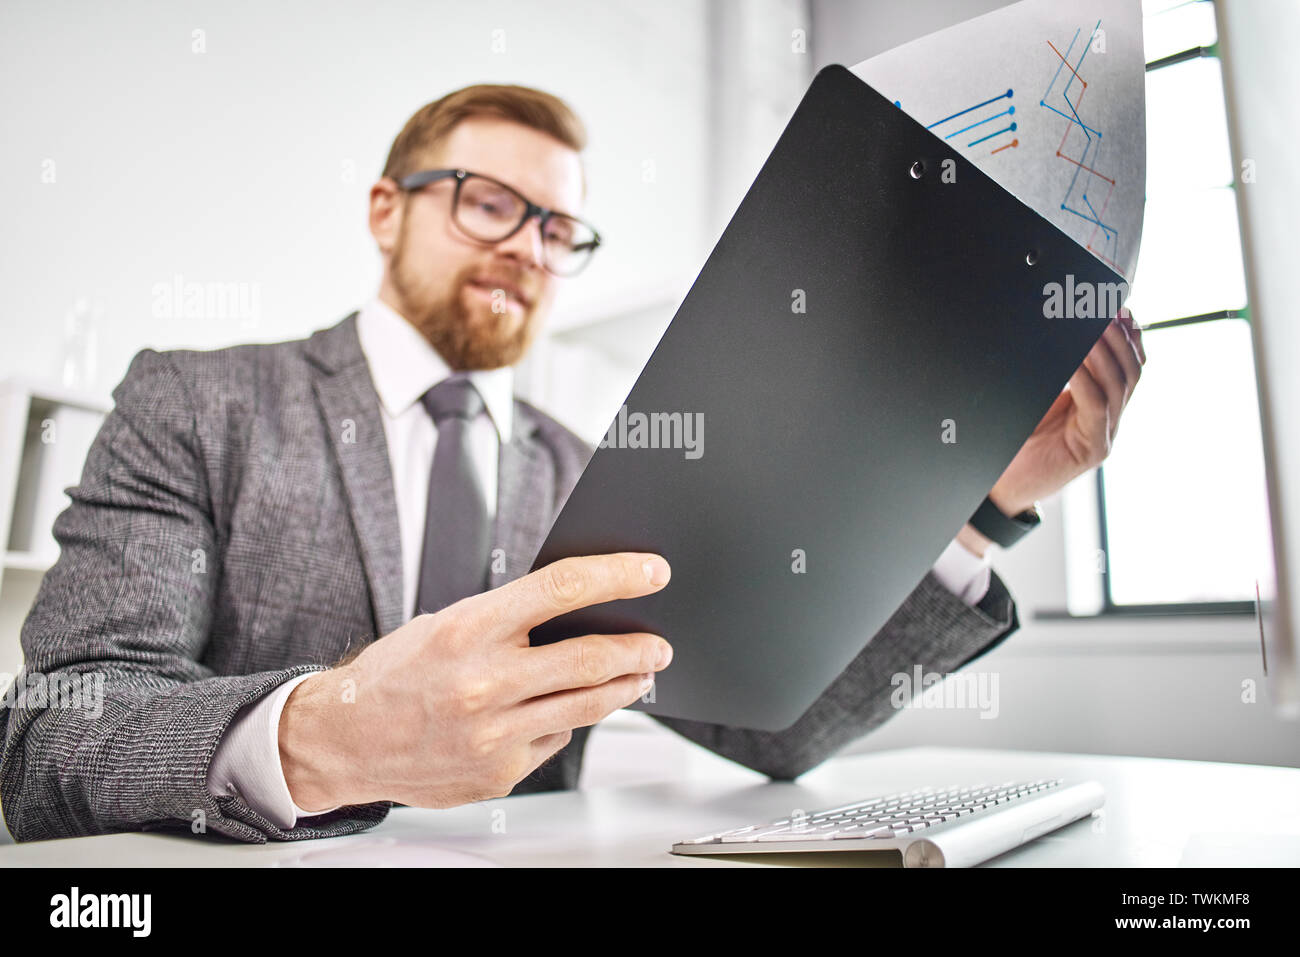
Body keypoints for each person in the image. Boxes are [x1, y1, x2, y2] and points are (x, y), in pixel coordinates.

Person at [0, 83, 1144, 843]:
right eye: (488, 203)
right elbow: (53, 736)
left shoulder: (591, 471)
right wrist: (330, 732)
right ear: (385, 209)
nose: (525, 249)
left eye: (557, 229)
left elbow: (764, 731)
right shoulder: (201, 403)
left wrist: (985, 507)